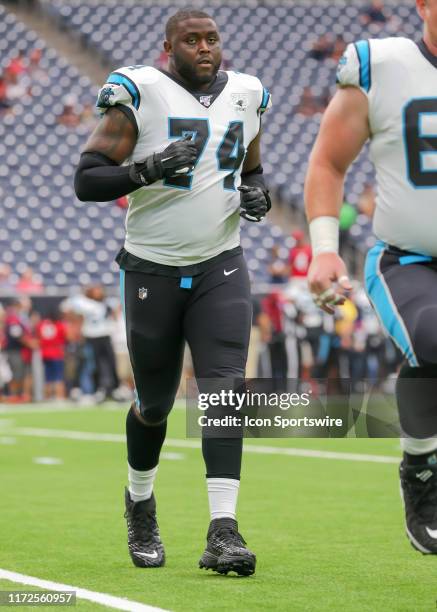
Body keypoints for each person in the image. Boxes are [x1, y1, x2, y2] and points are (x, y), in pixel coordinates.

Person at [74, 8, 271, 575]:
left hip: (221, 266)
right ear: (168, 47)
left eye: (211, 38)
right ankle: (140, 502)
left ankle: (224, 530)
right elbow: (87, 178)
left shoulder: (249, 93)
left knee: (224, 391)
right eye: (192, 40)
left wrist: (256, 197)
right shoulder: (142, 92)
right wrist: (149, 168)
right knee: (155, 404)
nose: (205, 48)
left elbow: (251, 171)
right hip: (152, 270)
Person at [305, 0, 437, 554]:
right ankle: (422, 472)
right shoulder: (382, 65)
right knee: (432, 337)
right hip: (407, 258)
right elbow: (329, 162)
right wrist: (323, 250)